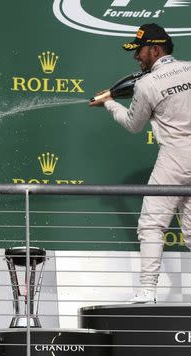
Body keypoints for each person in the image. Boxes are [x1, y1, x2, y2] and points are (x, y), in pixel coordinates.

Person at [90, 23, 191, 303]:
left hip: (174, 158)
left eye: (140, 51)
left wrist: (109, 103)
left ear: (156, 49)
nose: (136, 56)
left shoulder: (147, 84)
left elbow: (133, 125)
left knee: (151, 226)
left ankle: (147, 292)